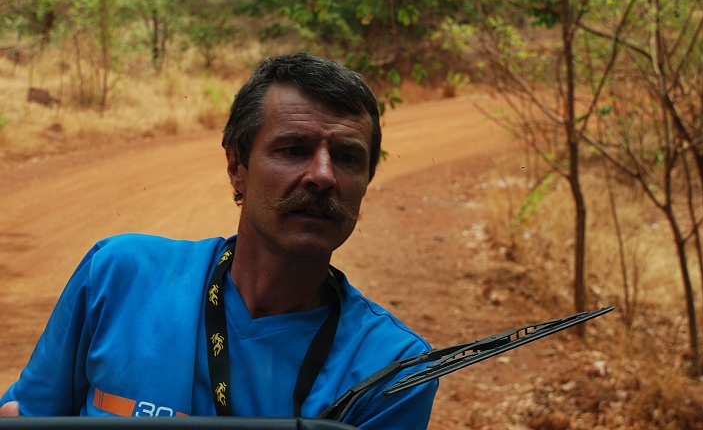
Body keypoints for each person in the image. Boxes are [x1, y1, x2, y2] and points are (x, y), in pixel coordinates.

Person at [0, 53, 438, 428]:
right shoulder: (120, 277)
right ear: (236, 166)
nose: (322, 175)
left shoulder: (392, 368)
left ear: (365, 181)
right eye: (293, 150)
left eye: (346, 157)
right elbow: (30, 414)